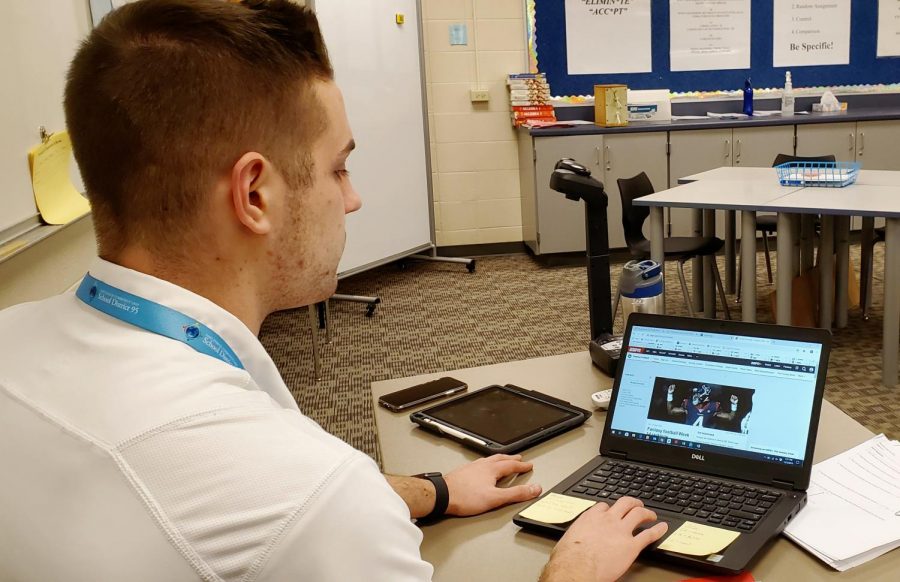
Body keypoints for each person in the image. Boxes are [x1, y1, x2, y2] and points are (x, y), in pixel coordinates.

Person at [0, 1, 666, 580]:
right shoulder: (312, 497)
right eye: (338, 168)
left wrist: (428, 490)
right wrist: (572, 571)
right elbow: (292, 504)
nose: (352, 199)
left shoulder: (12, 342)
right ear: (254, 194)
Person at [667, 383, 739, 428]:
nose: (695, 396)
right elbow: (671, 411)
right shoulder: (688, 403)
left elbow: (730, 417)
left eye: (698, 394)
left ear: (706, 398)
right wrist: (669, 394)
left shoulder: (714, 406)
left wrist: (734, 404)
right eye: (695, 393)